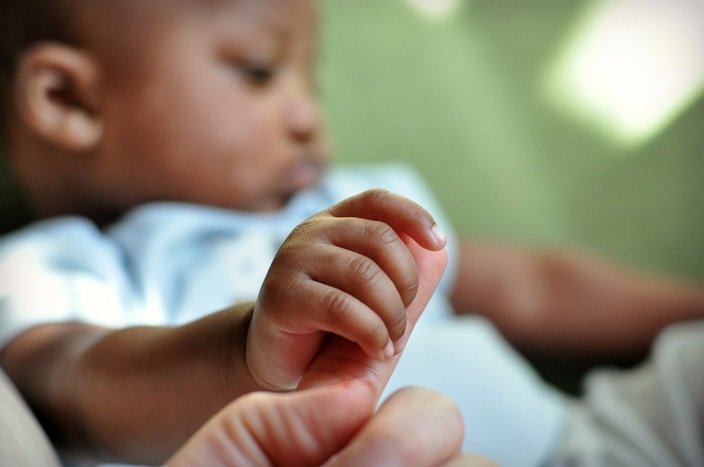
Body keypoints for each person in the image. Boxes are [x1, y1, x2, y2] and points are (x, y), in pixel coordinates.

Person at [0, 0, 702, 465]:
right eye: (258, 71)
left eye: (314, 82)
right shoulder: (60, 264)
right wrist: (248, 351)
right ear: (69, 100)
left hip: (585, 443)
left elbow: (535, 286)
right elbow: (76, 379)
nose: (307, 115)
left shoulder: (348, 204)